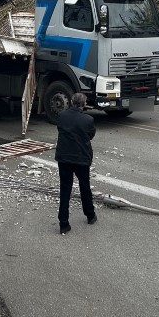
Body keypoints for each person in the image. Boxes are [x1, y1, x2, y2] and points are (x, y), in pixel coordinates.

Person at [54, 92, 97, 235]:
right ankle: (90, 215)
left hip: (64, 158)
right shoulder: (88, 120)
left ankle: (63, 223)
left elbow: (60, 129)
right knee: (85, 187)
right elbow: (90, 135)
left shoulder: (62, 116)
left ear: (72, 102)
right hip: (81, 159)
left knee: (65, 190)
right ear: (83, 104)